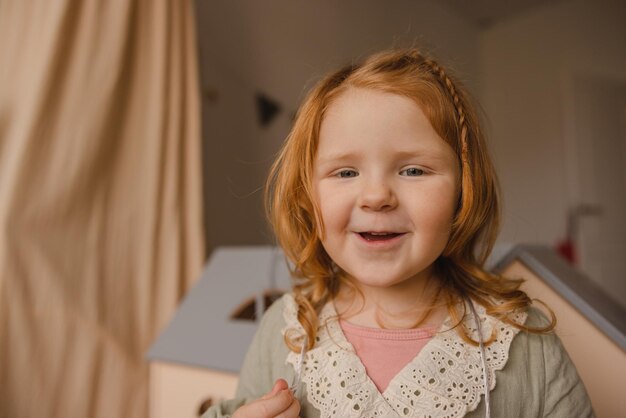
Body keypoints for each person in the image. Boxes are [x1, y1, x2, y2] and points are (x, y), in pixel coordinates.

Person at [202, 48, 594, 418]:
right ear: (308, 196)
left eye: (413, 170)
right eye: (346, 172)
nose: (376, 197)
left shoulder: (523, 340)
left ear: (465, 189)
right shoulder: (284, 330)